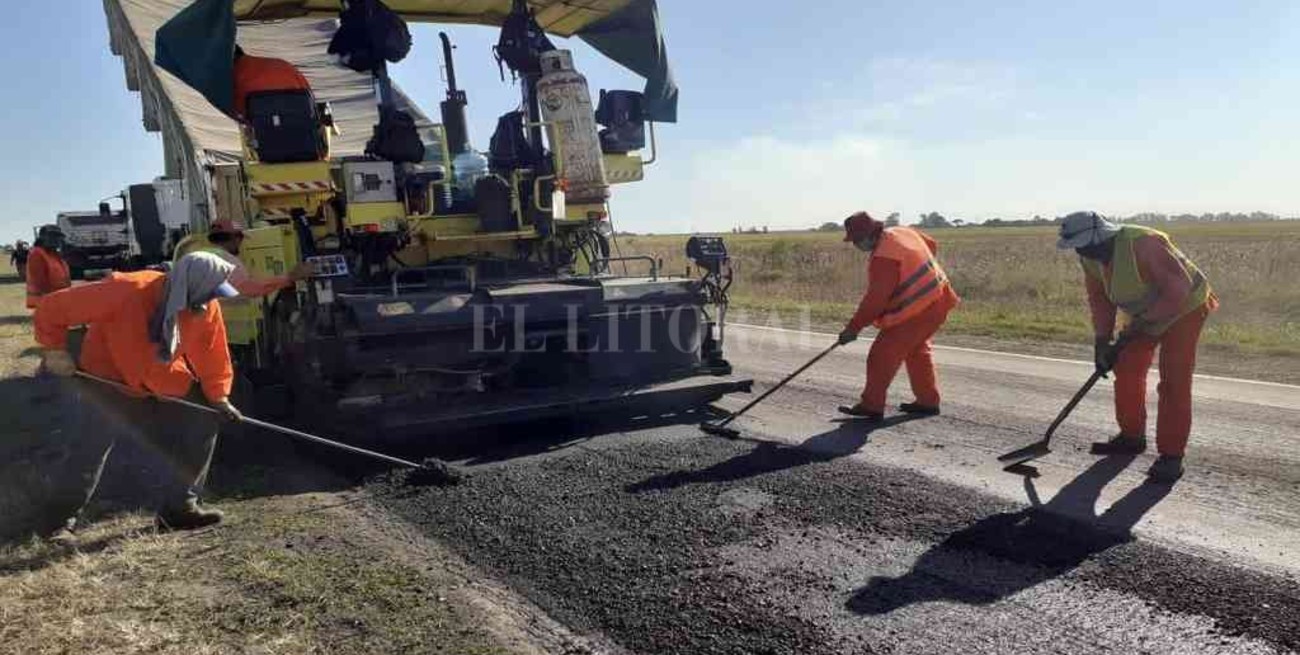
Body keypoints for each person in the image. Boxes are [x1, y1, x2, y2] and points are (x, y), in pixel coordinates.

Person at [34, 252, 245, 543]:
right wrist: (54, 350)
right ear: (188, 283)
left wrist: (219, 397)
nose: (213, 299)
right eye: (210, 291)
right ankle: (58, 523)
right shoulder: (127, 290)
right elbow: (51, 308)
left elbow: (213, 354)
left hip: (161, 375)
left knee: (204, 414)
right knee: (90, 445)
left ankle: (180, 508)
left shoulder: (204, 306)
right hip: (109, 376)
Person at [1057, 211, 1217, 483]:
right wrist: (1102, 341)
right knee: (1127, 367)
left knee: (1174, 381)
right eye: (1077, 246)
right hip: (1144, 312)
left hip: (1185, 310)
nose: (1081, 251)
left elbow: (1178, 290)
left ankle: (1171, 456)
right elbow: (1100, 299)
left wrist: (1143, 324)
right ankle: (1131, 436)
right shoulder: (1090, 257)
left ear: (1101, 235)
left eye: (1085, 244)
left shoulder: (1143, 243)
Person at [837, 212, 961, 422]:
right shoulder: (901, 232)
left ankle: (871, 405)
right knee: (916, 350)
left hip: (921, 309)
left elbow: (876, 299)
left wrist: (853, 328)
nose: (856, 245)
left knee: (881, 354)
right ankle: (927, 401)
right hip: (940, 297)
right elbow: (931, 244)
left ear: (870, 235)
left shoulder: (884, 258)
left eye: (858, 240)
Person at [203, 220, 311, 297]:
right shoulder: (228, 261)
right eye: (241, 239)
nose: (241, 244)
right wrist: (289, 278)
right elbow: (251, 289)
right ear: (235, 238)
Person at [232, 45, 313, 119]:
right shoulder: (283, 65)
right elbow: (309, 97)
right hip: (302, 125)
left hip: (267, 129)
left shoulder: (234, 77)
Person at [26, 225, 71, 309]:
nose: (56, 239)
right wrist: (51, 300)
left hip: (58, 299)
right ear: (42, 238)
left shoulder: (54, 254)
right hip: (47, 302)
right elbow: (39, 281)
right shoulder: (37, 253)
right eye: (52, 236)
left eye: (58, 236)